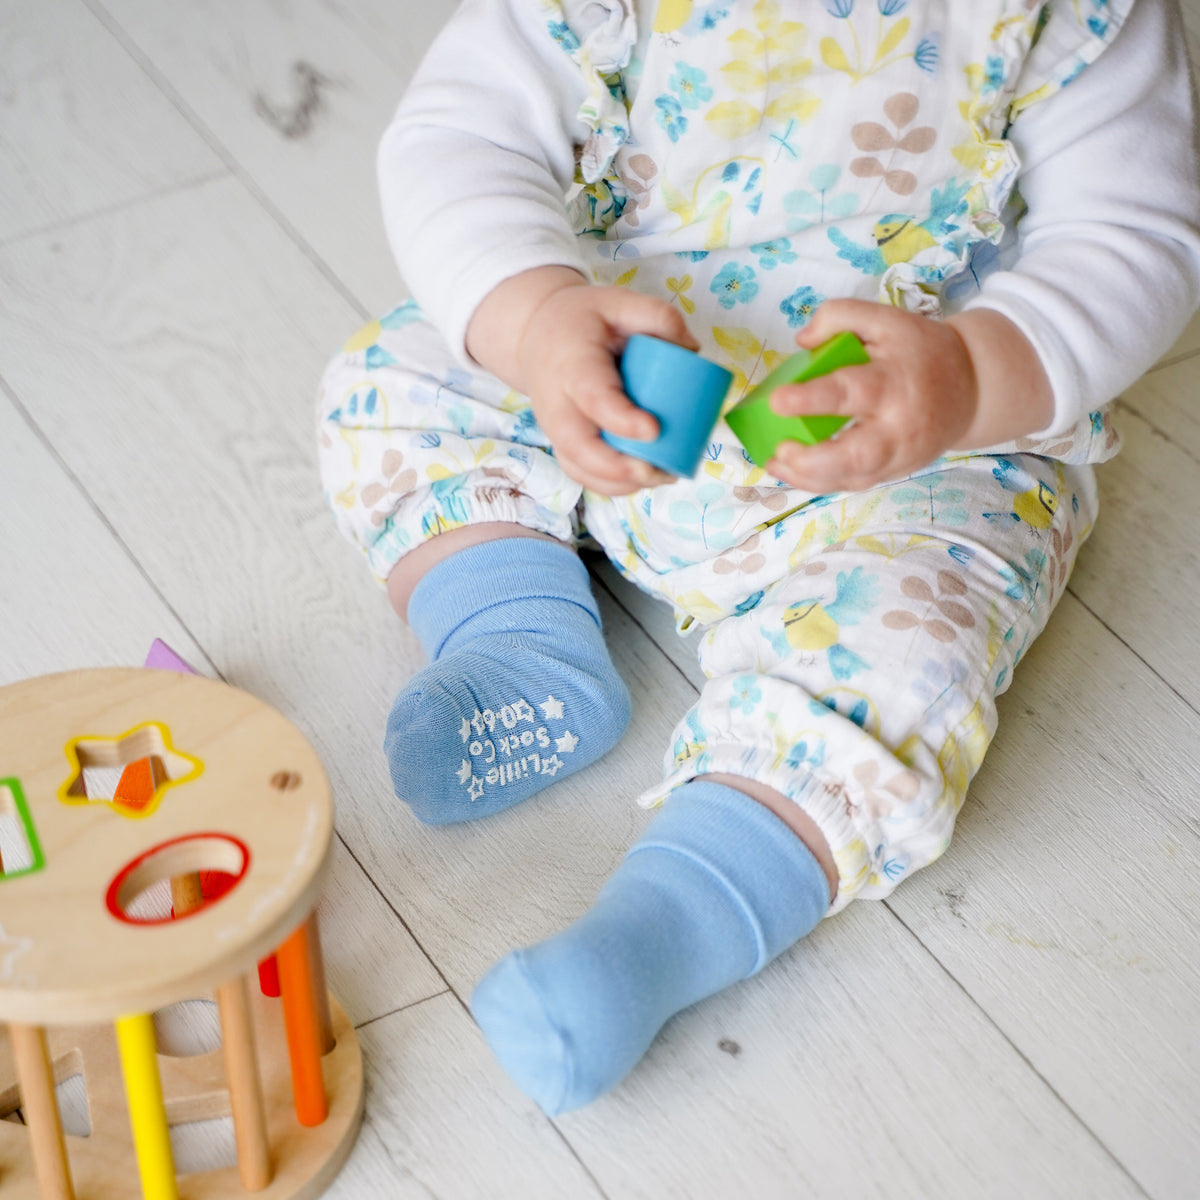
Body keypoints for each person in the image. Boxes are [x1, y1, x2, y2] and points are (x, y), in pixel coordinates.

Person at [317, 0, 1200, 1115]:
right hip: (612, 373)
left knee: (914, 649)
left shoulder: (1076, 17)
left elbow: (1139, 233)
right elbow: (462, 138)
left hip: (915, 449)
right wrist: (540, 319)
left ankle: (667, 923)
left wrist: (976, 375)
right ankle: (512, 635)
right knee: (393, 377)